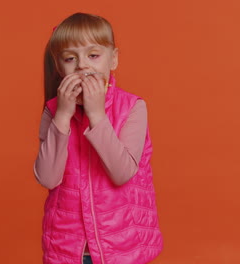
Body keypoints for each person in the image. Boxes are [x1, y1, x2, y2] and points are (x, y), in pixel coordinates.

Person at [34, 12, 163, 264]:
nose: (83, 65)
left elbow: (122, 172)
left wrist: (96, 115)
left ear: (113, 59)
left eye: (93, 55)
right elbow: (48, 177)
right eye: (71, 58)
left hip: (123, 247)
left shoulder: (133, 108)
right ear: (60, 67)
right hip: (69, 249)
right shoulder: (53, 111)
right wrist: (62, 115)